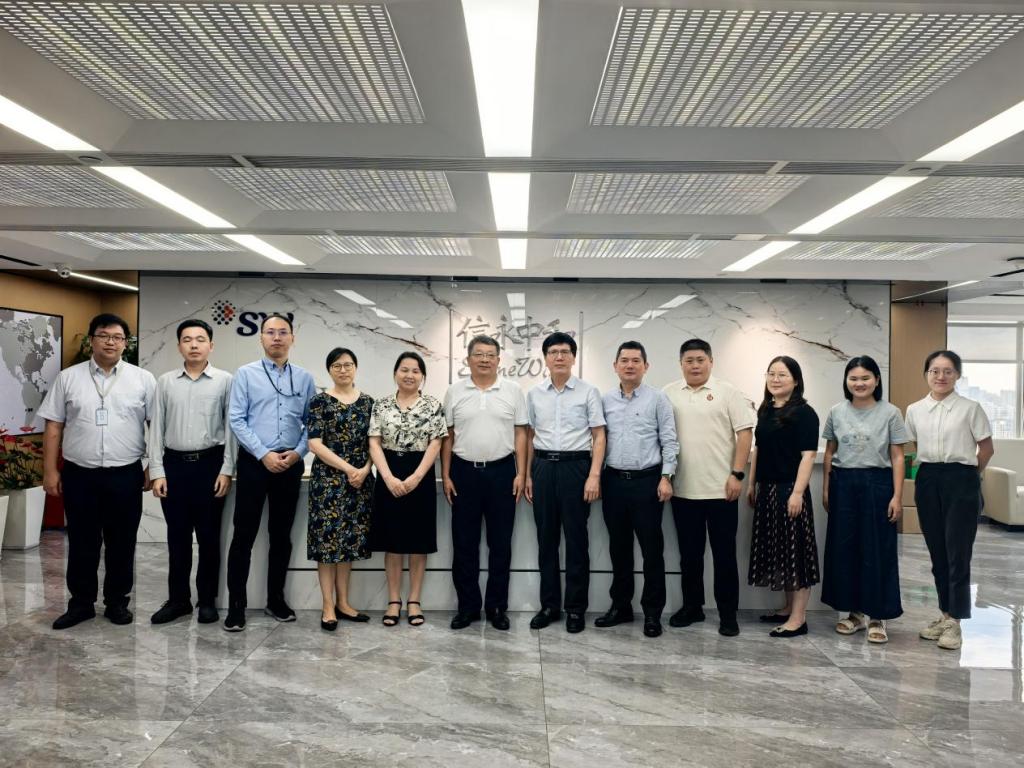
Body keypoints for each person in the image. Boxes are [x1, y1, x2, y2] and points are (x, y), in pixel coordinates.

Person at [40, 313, 156, 630]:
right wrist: (50, 471)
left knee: (122, 542)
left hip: (125, 474)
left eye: (117, 337)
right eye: (103, 335)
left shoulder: (143, 379)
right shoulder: (68, 378)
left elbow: (156, 427)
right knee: (81, 541)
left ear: (126, 343)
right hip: (80, 474)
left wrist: (153, 467)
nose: (110, 342)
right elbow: (53, 426)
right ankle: (81, 604)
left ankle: (117, 602)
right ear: (91, 339)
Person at [224, 313, 316, 632]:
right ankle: (236, 605)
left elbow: (312, 424)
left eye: (283, 332)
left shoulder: (304, 378)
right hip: (254, 463)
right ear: (261, 337)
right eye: (270, 332)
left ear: (293, 338)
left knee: (281, 536)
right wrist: (263, 454)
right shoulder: (245, 374)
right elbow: (237, 419)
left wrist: (298, 452)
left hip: (289, 464)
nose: (277, 337)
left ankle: (275, 600)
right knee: (243, 536)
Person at [663, 338, 754, 637]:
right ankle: (693, 607)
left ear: (711, 362)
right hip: (683, 490)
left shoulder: (728, 392)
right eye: (689, 360)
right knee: (689, 556)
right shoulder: (668, 393)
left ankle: (728, 614)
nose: (695, 365)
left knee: (724, 556)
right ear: (681, 364)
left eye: (700, 360)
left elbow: (745, 434)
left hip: (722, 491)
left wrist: (737, 474)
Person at [149, 319, 236, 625]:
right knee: (177, 538)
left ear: (211, 345)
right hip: (173, 466)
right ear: (179, 346)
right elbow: (156, 429)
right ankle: (178, 600)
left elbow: (231, 429)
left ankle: (207, 600)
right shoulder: (165, 382)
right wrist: (157, 471)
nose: (194, 345)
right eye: (187, 340)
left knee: (210, 538)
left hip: (210, 466)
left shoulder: (225, 381)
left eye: (200, 339)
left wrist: (227, 469)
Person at [906, 350, 993, 651]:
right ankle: (945, 615)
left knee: (958, 552)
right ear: (926, 374)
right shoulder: (915, 410)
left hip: (962, 478)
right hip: (928, 478)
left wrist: (968, 477)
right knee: (938, 553)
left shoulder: (970, 408)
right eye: (935, 371)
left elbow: (986, 449)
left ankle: (956, 622)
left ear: (957, 375)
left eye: (948, 371)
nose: (940, 376)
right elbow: (916, 444)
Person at [442, 335, 528, 631]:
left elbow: (521, 434)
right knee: (464, 543)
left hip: (502, 472)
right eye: (478, 354)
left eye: (490, 355)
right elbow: (447, 435)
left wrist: (521, 472)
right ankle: (467, 607)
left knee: (500, 544)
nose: (485, 359)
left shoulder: (513, 390)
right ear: (468, 359)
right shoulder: (454, 391)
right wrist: (446, 474)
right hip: (463, 472)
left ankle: (496, 607)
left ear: (498, 360)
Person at [821, 355, 909, 643]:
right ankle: (855, 614)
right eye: (853, 378)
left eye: (865, 378)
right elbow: (830, 452)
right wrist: (826, 488)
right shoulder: (836, 411)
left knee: (877, 551)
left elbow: (898, 456)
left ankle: (878, 617)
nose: (859, 383)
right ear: (846, 381)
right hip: (843, 485)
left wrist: (897, 496)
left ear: (877, 380)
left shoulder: (891, 413)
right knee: (845, 550)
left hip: (877, 485)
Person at [525, 331, 606, 634]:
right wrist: (529, 474)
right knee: (546, 540)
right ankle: (549, 606)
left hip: (577, 468)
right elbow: (530, 436)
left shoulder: (588, 392)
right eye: (553, 352)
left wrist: (594, 475)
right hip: (543, 467)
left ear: (573, 358)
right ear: (545, 359)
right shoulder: (535, 394)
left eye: (565, 352)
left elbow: (599, 436)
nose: (559, 357)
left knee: (576, 540)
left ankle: (575, 608)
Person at [598, 341, 678, 638]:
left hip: (648, 481)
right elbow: (598, 440)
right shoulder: (605, 400)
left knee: (651, 550)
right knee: (618, 549)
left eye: (635, 360)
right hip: (613, 481)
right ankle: (621, 607)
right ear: (615, 366)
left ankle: (653, 613)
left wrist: (666, 476)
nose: (630, 365)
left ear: (646, 366)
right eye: (624, 360)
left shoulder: (658, 399)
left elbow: (669, 440)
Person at [368, 351, 447, 627]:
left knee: (418, 541)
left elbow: (436, 443)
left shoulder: (433, 405)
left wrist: (416, 477)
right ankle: (393, 601)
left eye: (415, 371)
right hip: (388, 471)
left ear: (422, 376)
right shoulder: (381, 405)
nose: (409, 375)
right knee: (392, 542)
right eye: (404, 370)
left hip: (420, 472)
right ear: (395, 373)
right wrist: (388, 477)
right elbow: (374, 442)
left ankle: (414, 601)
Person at [747, 355, 820, 638]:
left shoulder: (804, 413)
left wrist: (797, 493)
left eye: (782, 375)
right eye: (771, 374)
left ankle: (798, 619)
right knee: (781, 552)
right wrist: (751, 484)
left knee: (796, 554)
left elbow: (808, 456)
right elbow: (759, 449)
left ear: (796, 381)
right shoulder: (766, 409)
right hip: (766, 489)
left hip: (790, 490)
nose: (775, 379)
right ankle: (788, 608)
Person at [306, 347, 374, 632]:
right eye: (337, 365)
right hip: (328, 483)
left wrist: (365, 469)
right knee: (326, 545)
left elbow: (375, 443)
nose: (343, 370)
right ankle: (327, 605)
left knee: (348, 544)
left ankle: (344, 603)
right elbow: (314, 443)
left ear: (356, 368)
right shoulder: (319, 401)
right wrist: (348, 469)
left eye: (348, 365)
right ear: (329, 370)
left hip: (360, 482)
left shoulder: (369, 402)